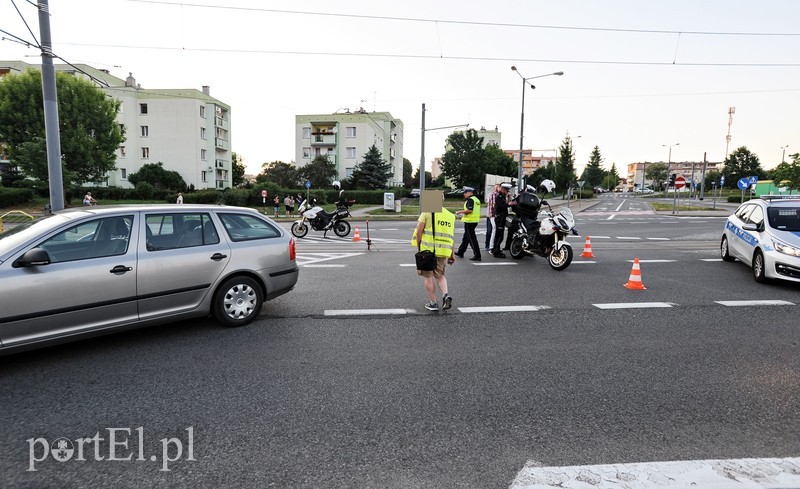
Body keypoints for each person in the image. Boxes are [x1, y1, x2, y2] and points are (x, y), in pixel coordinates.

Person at [411, 192, 456, 312]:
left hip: (428, 252)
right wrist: (452, 254)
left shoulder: (427, 213)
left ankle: (433, 303)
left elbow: (419, 232)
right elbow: (451, 236)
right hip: (443, 251)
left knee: (428, 276)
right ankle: (446, 295)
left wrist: (419, 249)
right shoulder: (450, 216)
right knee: (440, 275)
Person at [454, 186, 482, 261]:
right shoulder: (476, 200)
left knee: (472, 239)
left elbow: (470, 210)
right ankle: (461, 251)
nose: (464, 194)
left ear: (470, 192)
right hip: (474, 221)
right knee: (466, 237)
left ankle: (477, 255)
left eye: (466, 192)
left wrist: (459, 212)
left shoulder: (471, 200)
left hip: (469, 221)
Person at [491, 183, 512, 258]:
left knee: (498, 235)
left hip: (501, 218)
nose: (507, 192)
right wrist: (508, 204)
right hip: (500, 218)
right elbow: (499, 207)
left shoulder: (502, 196)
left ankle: (496, 249)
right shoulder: (499, 197)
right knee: (500, 236)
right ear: (502, 189)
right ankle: (496, 252)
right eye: (506, 190)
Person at [485, 184, 499, 251]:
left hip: (492, 215)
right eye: (495, 187)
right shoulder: (491, 194)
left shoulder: (498, 195)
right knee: (489, 231)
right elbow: (488, 203)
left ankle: (490, 245)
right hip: (490, 215)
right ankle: (487, 245)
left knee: (493, 230)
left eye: (497, 187)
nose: (496, 188)